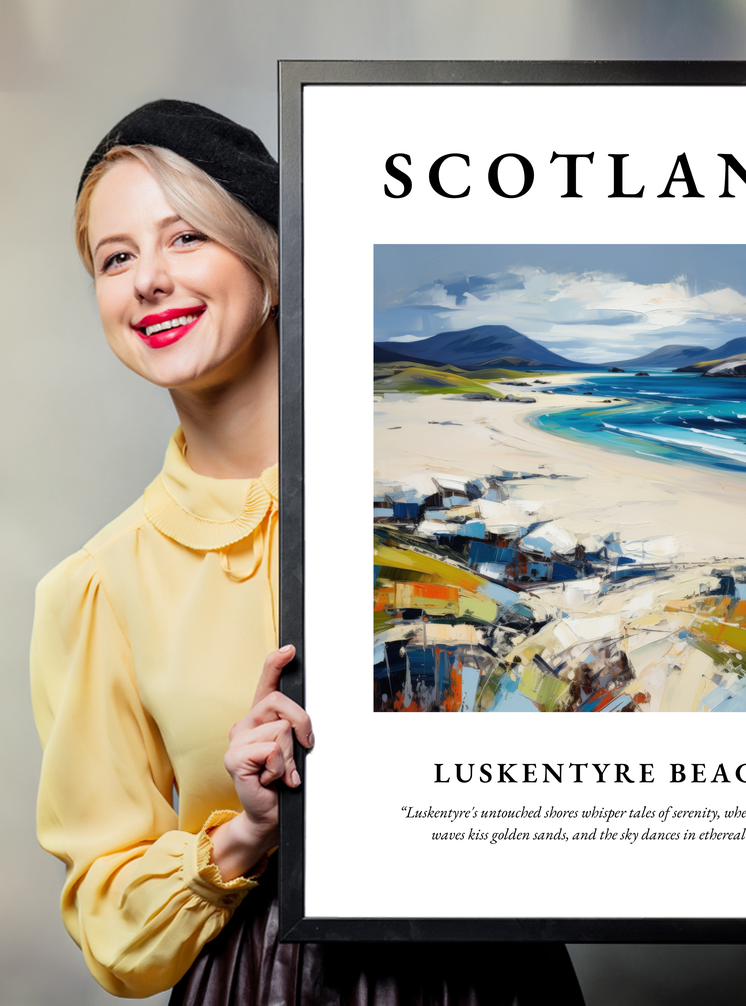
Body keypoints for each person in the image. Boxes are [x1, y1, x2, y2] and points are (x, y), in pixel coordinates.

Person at [30, 100, 585, 1004]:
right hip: (264, 981)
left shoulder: (451, 497)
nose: (149, 281)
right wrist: (246, 832)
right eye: (115, 258)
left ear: (273, 263)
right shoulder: (97, 586)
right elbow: (111, 925)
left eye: (186, 237)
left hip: (491, 972)